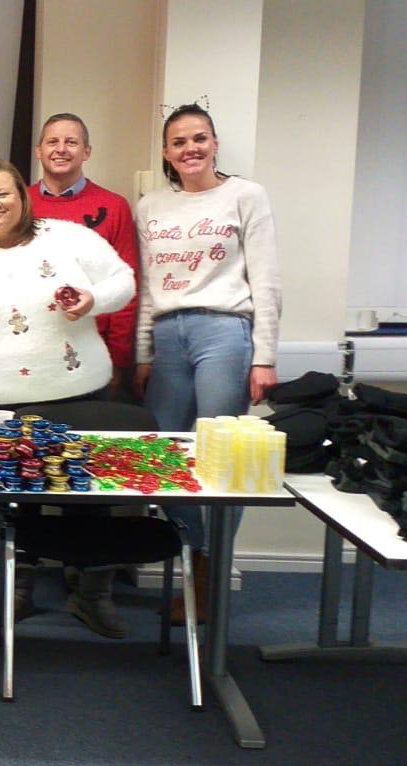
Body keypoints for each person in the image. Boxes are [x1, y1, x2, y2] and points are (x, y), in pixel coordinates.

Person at [0, 159, 136, 638]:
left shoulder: (67, 237)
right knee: (13, 502)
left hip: (81, 394)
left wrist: (92, 299)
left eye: (3, 193)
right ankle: (18, 589)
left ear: (23, 196)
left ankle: (92, 593)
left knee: (90, 499)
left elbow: (124, 281)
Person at [133, 103, 281, 624]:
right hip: (169, 336)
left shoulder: (246, 195)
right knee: (164, 456)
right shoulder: (151, 206)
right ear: (167, 154)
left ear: (215, 143)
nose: (190, 149)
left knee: (220, 459)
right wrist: (144, 352)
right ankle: (194, 551)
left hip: (226, 331)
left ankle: (210, 569)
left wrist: (264, 356)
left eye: (199, 138)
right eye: (178, 142)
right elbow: (149, 287)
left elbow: (265, 281)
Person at [28, 112, 139, 398]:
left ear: (86, 151)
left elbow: (127, 289)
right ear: (39, 151)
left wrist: (118, 358)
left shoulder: (113, 207)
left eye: (71, 142)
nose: (61, 149)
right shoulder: (19, 205)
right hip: (29, 352)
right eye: (52, 141)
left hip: (92, 353)